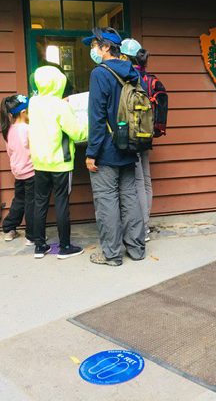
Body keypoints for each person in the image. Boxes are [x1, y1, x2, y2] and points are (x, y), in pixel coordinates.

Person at [83, 27, 145, 267]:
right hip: (130, 145)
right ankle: (137, 249)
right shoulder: (131, 72)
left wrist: (91, 153)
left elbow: (97, 117)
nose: (93, 50)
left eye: (94, 45)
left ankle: (111, 254)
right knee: (130, 197)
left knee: (106, 199)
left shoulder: (100, 73)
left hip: (107, 149)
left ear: (106, 47)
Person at [29, 66, 88, 259]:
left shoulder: (33, 103)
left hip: (39, 161)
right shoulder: (61, 106)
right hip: (60, 162)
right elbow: (77, 133)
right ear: (59, 82)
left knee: (40, 202)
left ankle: (39, 246)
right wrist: (91, 127)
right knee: (62, 202)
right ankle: (64, 247)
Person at [120, 38, 153, 242]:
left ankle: (142, 227)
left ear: (124, 56)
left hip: (133, 134)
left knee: (137, 181)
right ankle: (146, 224)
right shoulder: (147, 77)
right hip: (147, 134)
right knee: (146, 179)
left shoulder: (129, 77)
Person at [1, 95, 35, 245]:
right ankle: (32, 235)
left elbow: (10, 152)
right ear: (23, 112)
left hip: (18, 173)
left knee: (19, 201)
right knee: (31, 203)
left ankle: (9, 229)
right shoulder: (28, 129)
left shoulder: (8, 130)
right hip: (31, 172)